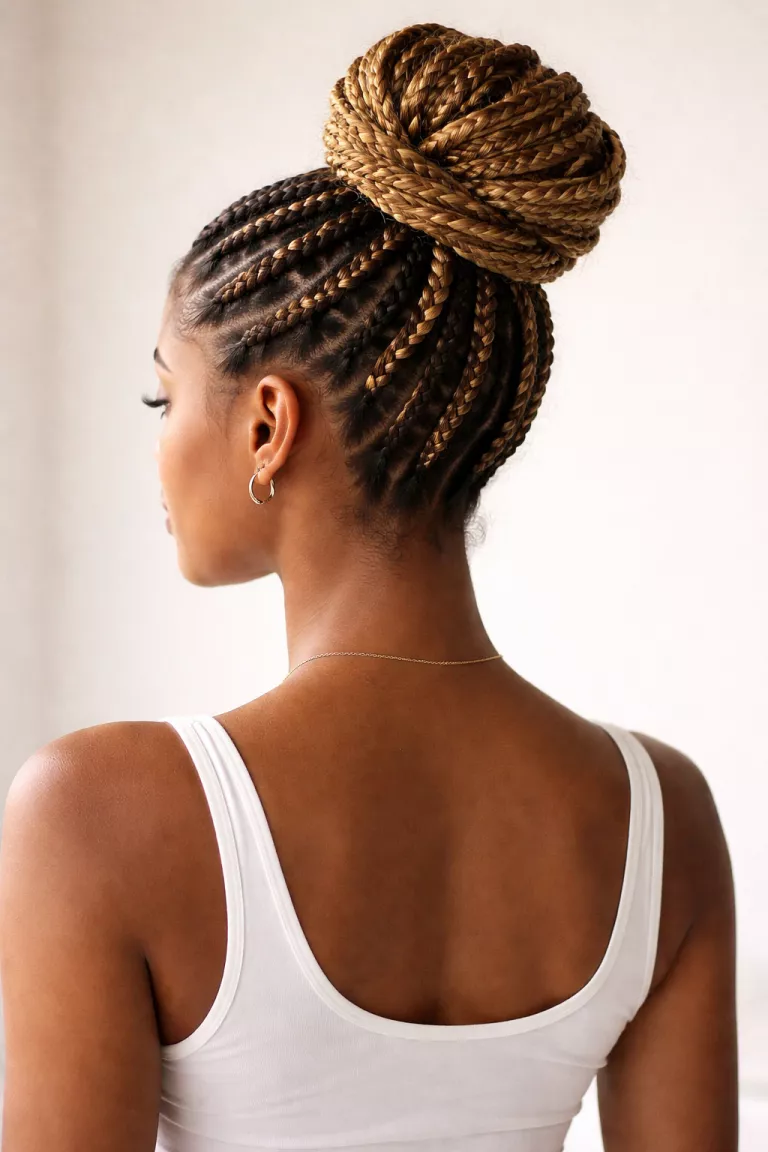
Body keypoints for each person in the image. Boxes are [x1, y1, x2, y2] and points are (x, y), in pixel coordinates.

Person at [0, 21, 737, 1152]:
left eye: (164, 400)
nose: (154, 448)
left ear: (267, 421)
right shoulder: (662, 820)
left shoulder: (95, 813)